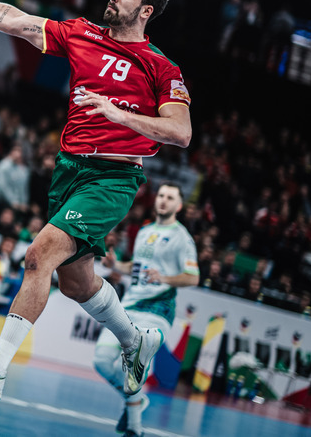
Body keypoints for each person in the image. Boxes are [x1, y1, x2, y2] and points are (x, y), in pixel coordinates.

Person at [0, 0, 192, 402]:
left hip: (111, 178)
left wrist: (119, 115)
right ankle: (135, 340)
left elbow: (180, 132)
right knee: (76, 283)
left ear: (146, 10)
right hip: (68, 172)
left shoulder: (160, 66)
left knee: (37, 255)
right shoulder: (82, 34)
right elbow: (12, 18)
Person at [94, 183, 199, 437]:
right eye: (161, 195)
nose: (163, 200)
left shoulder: (182, 238)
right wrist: (116, 265)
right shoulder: (144, 231)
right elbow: (136, 266)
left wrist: (164, 278)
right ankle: (137, 401)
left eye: (170, 198)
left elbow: (193, 277)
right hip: (128, 306)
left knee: (133, 368)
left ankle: (135, 428)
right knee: (101, 361)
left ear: (179, 206)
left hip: (157, 310)